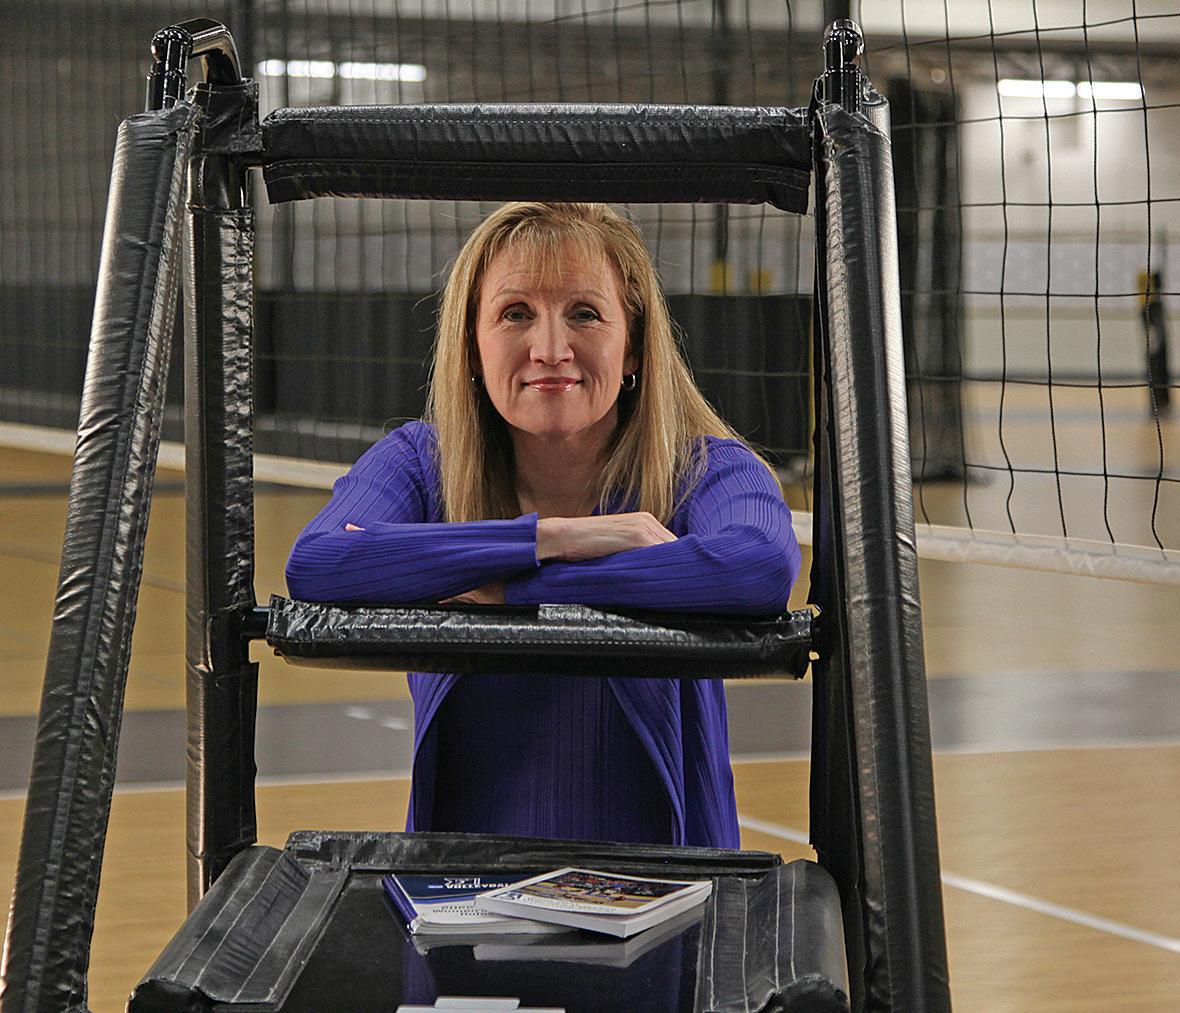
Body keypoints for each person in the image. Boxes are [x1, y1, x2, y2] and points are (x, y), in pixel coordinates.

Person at [284, 202, 799, 848]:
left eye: (584, 313)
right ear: (472, 347)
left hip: (668, 882)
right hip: (463, 880)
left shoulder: (702, 469)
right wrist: (551, 538)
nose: (551, 350)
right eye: (515, 313)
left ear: (634, 345)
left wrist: (513, 590)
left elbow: (760, 565)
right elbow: (320, 562)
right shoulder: (421, 463)